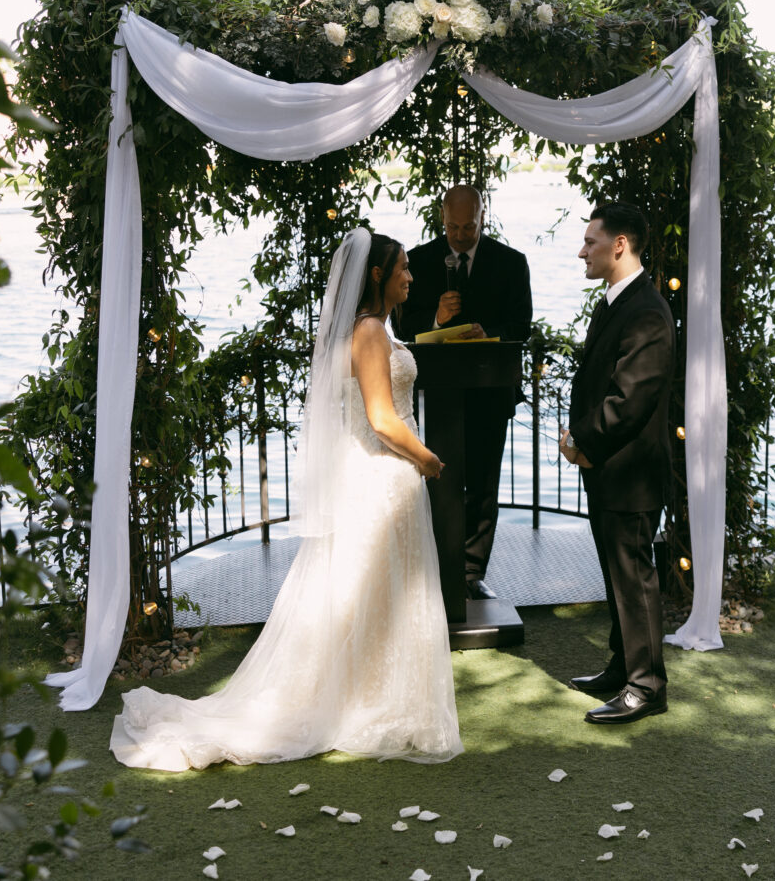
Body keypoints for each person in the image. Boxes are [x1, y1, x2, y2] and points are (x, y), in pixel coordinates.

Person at [109, 229, 462, 771]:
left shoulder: (375, 329)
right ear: (377, 276)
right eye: (403, 269)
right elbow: (383, 418)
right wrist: (429, 459)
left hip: (382, 475)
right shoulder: (368, 331)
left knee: (379, 592)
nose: (411, 277)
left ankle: (378, 697)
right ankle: (368, 702)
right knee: (378, 589)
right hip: (383, 471)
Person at [560, 202, 676, 725]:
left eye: (590, 241)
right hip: (605, 465)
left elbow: (630, 399)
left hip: (630, 470)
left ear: (620, 245)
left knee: (635, 577)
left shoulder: (648, 311)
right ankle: (621, 665)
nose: (582, 250)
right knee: (615, 573)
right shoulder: (615, 302)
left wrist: (581, 438)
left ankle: (648, 685)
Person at [397, 184, 533, 600]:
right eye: (452, 227)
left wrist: (486, 333)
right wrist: (437, 318)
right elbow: (403, 329)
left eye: (468, 227)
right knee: (440, 478)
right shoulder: (418, 261)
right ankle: (439, 566)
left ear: (482, 218)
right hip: (438, 396)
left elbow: (521, 325)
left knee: (484, 483)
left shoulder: (511, 263)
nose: (459, 235)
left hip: (491, 394)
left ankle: (473, 572)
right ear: (443, 219)